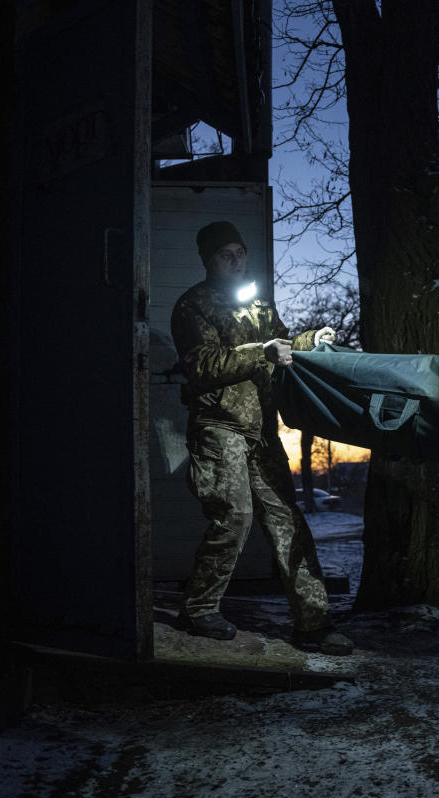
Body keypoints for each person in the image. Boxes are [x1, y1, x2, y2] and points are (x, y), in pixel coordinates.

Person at [170, 220, 353, 655]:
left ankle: (313, 623)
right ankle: (198, 609)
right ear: (208, 259)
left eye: (239, 252)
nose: (236, 261)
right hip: (219, 427)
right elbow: (203, 365)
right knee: (233, 518)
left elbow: (281, 344)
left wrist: (310, 339)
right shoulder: (192, 306)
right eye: (225, 255)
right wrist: (260, 353)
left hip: (261, 430)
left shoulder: (256, 303)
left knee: (288, 522)